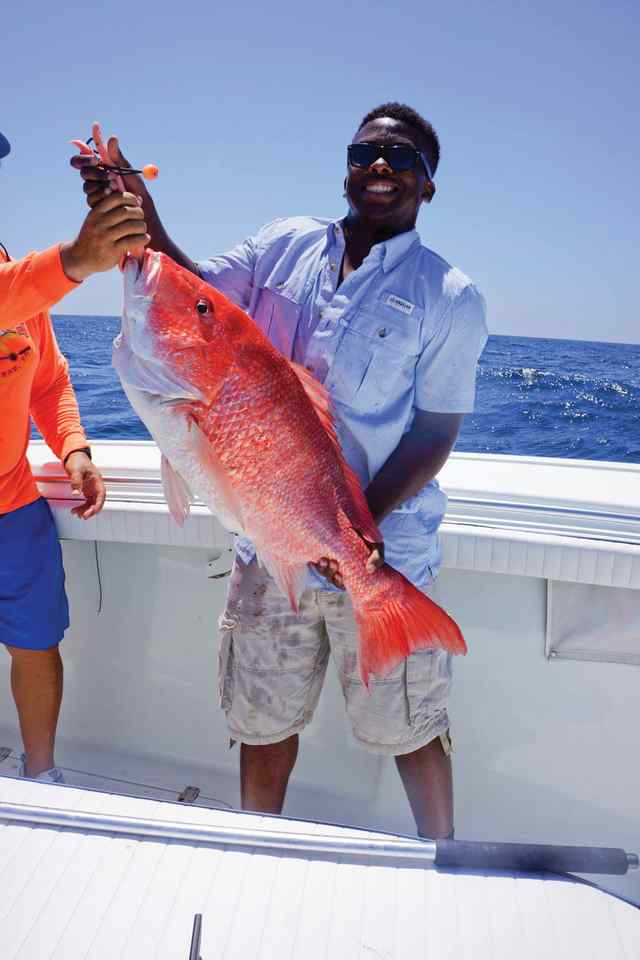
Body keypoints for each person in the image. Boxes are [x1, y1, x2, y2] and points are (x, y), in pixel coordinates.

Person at [75, 103, 487, 837]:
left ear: (430, 187)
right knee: (262, 724)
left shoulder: (450, 296)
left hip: (383, 550)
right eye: (366, 153)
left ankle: (445, 860)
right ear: (347, 166)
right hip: (268, 542)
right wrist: (138, 207)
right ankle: (253, 856)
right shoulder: (282, 243)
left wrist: (357, 538)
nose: (382, 168)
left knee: (412, 726)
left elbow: (434, 433)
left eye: (404, 160)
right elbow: (195, 290)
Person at [1, 128, 149, 782]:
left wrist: (74, 450)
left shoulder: (16, 282)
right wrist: (75, 261)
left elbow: (50, 380)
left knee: (36, 643)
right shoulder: (24, 284)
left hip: (12, 505)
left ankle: (41, 776)